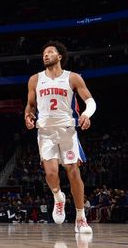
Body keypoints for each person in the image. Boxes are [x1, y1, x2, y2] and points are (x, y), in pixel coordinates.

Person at [24, 41, 96, 235]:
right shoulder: (35, 79)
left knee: (73, 172)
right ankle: (58, 197)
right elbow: (30, 105)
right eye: (44, 53)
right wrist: (28, 116)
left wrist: (87, 114)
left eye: (50, 52)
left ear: (60, 56)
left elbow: (90, 101)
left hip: (67, 130)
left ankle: (80, 218)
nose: (45, 55)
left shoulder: (72, 77)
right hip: (45, 131)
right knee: (51, 173)